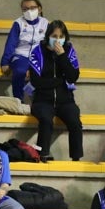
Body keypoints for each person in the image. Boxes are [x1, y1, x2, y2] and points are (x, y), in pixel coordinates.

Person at [28, 19, 84, 162]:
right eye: (54, 36)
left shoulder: (69, 51)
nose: (58, 40)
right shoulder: (37, 52)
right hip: (42, 100)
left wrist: (62, 56)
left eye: (61, 36)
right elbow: (36, 81)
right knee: (46, 120)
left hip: (65, 100)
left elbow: (72, 77)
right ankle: (42, 154)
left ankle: (76, 158)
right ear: (48, 36)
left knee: (75, 121)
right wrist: (59, 81)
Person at [1, 0, 48, 101]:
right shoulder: (18, 23)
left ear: (39, 9)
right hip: (21, 55)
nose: (29, 11)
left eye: (32, 8)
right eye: (25, 9)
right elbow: (11, 43)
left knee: (41, 73)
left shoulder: (45, 23)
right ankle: (18, 100)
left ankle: (39, 101)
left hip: (38, 56)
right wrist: (5, 62)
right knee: (20, 71)